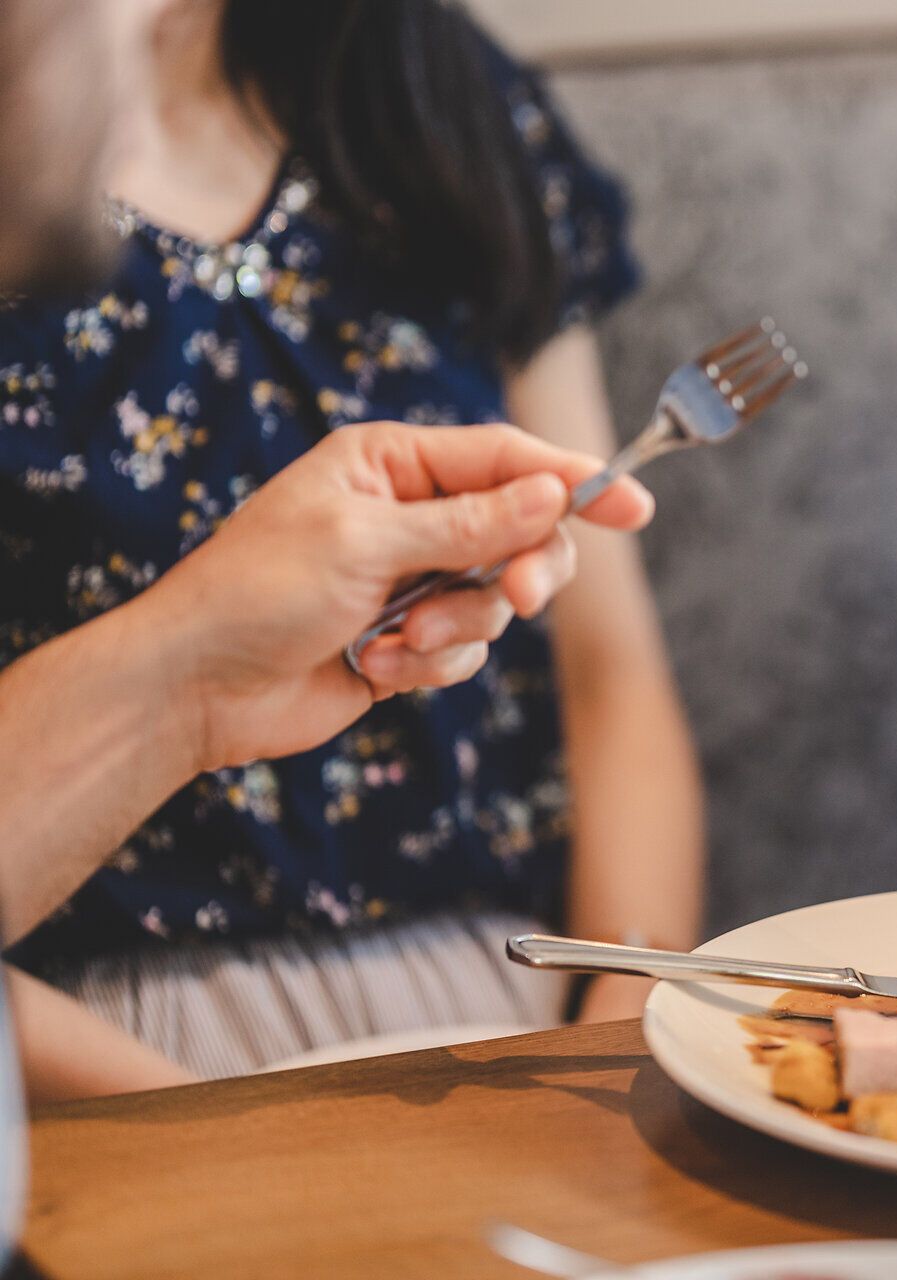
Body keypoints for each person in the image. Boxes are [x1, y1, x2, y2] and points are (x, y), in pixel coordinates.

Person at [0, 0, 701, 1087]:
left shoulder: (434, 106)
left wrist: (619, 1024)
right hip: (100, 1064)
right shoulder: (28, 168)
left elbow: (609, 673)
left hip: (523, 1008)